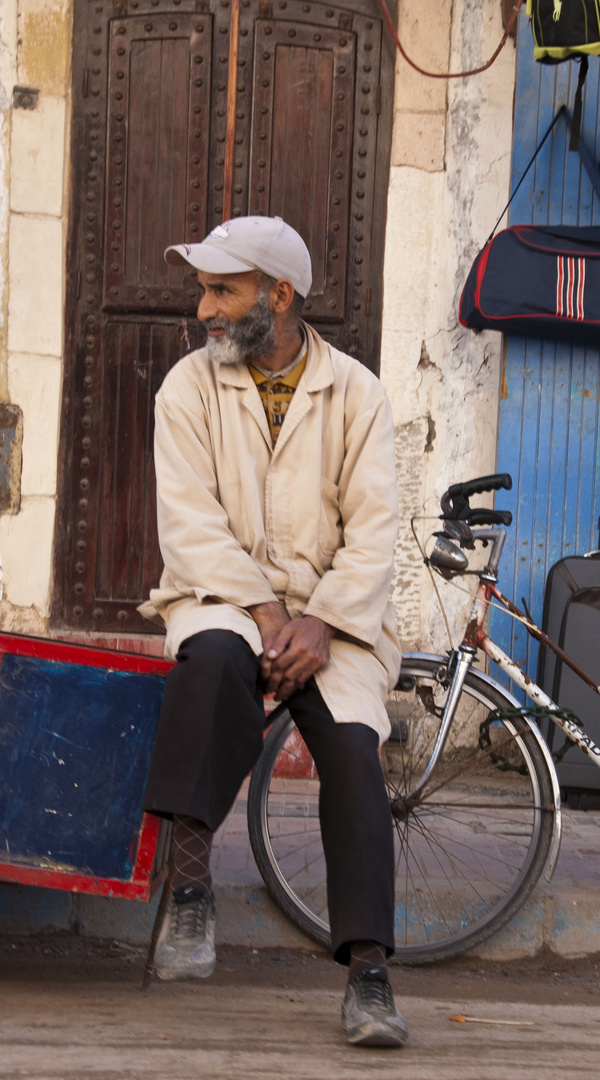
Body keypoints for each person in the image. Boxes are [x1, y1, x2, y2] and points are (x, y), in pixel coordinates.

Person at [139, 215, 407, 1049]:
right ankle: (188, 891)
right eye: (204, 289)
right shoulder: (187, 387)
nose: (204, 307)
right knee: (210, 662)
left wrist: (320, 620)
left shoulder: (357, 394)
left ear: (279, 295)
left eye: (222, 289)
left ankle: (369, 975)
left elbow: (373, 532)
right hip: (229, 598)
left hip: (336, 619)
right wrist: (265, 613)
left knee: (354, 751)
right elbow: (190, 526)